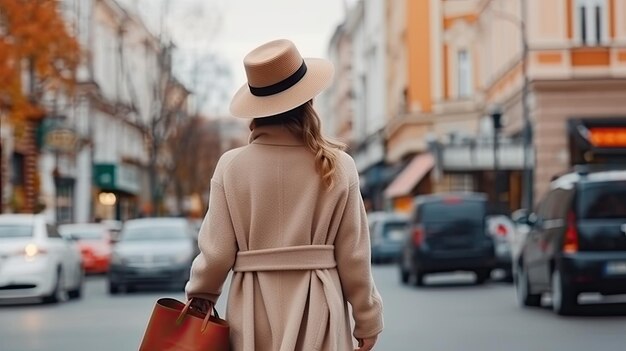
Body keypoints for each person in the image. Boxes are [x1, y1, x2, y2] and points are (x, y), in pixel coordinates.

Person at [185, 39, 383, 351]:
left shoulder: (231, 167)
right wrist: (367, 319)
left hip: (251, 309)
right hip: (320, 306)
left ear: (256, 108)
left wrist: (202, 293)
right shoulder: (338, 165)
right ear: (308, 102)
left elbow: (217, 253)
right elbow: (354, 257)